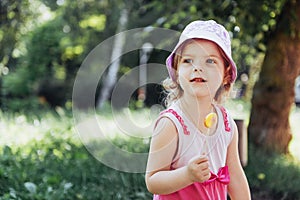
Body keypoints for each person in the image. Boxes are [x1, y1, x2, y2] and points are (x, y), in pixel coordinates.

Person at [145, 20, 251, 199]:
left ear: (226, 75)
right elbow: (153, 180)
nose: (198, 67)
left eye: (210, 61)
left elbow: (236, 176)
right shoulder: (171, 124)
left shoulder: (227, 125)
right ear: (177, 72)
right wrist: (186, 175)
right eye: (188, 60)